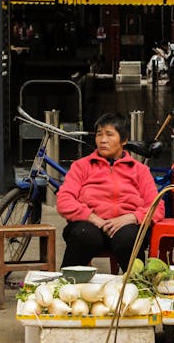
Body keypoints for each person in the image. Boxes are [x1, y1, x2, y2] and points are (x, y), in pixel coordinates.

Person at [56, 112, 165, 269]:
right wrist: (92, 218)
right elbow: (64, 201)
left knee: (128, 238)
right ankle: (67, 285)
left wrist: (132, 217)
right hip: (90, 226)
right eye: (99, 134)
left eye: (109, 134)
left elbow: (157, 206)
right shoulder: (81, 166)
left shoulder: (140, 170)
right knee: (84, 234)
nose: (103, 140)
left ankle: (136, 286)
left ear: (124, 140)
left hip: (127, 228)